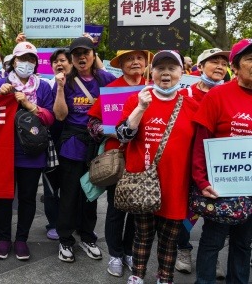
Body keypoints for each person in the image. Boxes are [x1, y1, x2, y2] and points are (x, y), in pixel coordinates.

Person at [116, 50, 199, 284]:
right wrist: (141, 108)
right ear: (151, 72)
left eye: (172, 69)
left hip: (176, 184)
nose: (166, 73)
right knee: (142, 236)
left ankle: (165, 277)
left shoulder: (191, 105)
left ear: (181, 73)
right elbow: (124, 136)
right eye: (160, 68)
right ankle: (137, 275)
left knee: (169, 239)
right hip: (142, 182)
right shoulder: (137, 98)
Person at [192, 38, 252, 284]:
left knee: (243, 244)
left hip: (249, 187)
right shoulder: (217, 96)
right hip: (220, 186)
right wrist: (201, 179)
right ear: (235, 67)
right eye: (249, 59)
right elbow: (200, 141)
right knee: (212, 241)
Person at [87, 49, 152, 277]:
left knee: (137, 207)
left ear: (146, 63)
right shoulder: (112, 89)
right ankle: (115, 254)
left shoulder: (153, 88)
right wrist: (113, 131)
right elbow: (92, 124)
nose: (135, 62)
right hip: (117, 158)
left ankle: (129, 251)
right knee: (116, 209)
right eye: (129, 59)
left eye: (139, 58)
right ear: (121, 64)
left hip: (144, 158)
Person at [53, 36, 115, 263]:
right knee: (69, 194)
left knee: (91, 194)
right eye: (76, 54)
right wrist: (59, 89)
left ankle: (88, 236)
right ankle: (65, 239)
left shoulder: (106, 79)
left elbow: (118, 104)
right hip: (72, 145)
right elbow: (60, 115)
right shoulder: (65, 82)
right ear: (71, 58)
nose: (81, 57)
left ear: (93, 55)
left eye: (86, 53)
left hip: (97, 147)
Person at [0, 41, 54, 260]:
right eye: (22, 59)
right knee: (4, 197)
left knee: (28, 198)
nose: (26, 64)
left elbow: (50, 118)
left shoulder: (44, 87)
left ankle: (21, 239)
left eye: (31, 60)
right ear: (13, 62)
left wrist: (29, 105)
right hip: (4, 152)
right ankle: (3, 238)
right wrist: (0, 96)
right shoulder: (0, 84)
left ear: (36, 63)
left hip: (32, 153)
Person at [176, 47, 230, 279]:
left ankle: (212, 255)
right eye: (213, 61)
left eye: (222, 62)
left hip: (218, 165)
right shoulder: (184, 93)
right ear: (200, 66)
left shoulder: (231, 93)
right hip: (185, 162)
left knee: (215, 212)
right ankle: (183, 250)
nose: (219, 66)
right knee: (183, 211)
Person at [42, 48, 73, 241]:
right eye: (55, 62)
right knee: (51, 188)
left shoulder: (78, 85)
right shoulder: (47, 86)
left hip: (73, 145)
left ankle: (71, 222)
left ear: (72, 63)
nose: (59, 64)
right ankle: (53, 222)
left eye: (63, 60)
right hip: (51, 145)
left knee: (72, 189)